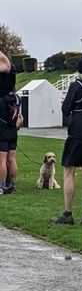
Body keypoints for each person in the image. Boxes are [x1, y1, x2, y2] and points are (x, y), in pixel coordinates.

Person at [52, 57, 82, 226]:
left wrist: (66, 103)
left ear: (79, 70)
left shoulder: (76, 85)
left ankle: (68, 213)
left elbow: (66, 111)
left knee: (69, 172)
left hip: (77, 132)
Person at [0, 51, 19, 194]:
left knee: (2, 159)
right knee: (12, 159)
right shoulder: (15, 98)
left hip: (2, 130)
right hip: (13, 131)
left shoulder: (1, 100)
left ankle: (1, 185)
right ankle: (13, 184)